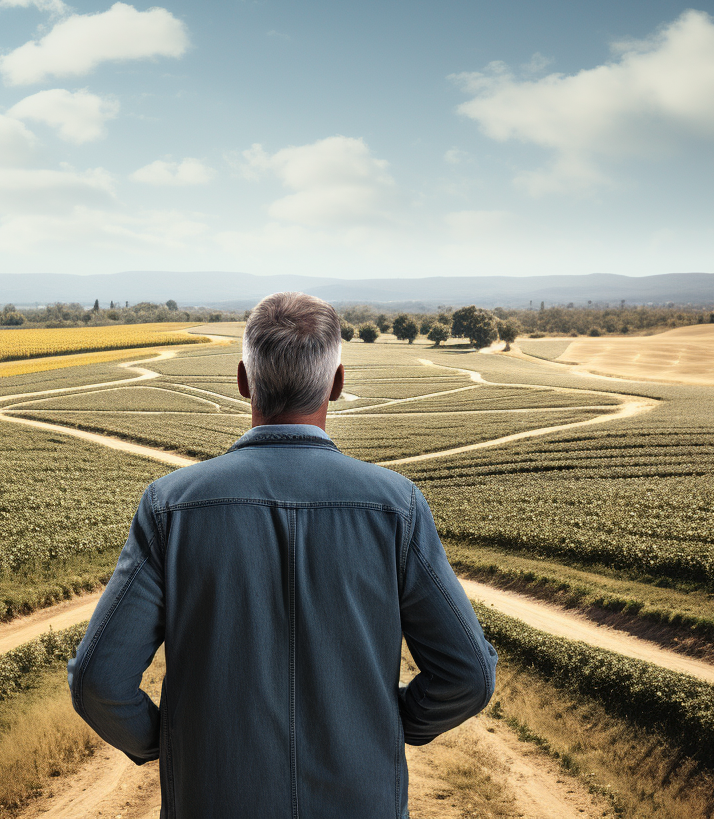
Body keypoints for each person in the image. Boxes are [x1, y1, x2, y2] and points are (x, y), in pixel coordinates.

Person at [68, 291, 497, 819]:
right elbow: (470, 674)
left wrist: (174, 746)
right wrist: (387, 726)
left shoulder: (169, 506)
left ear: (244, 380)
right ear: (337, 384)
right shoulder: (396, 506)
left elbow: (97, 681)